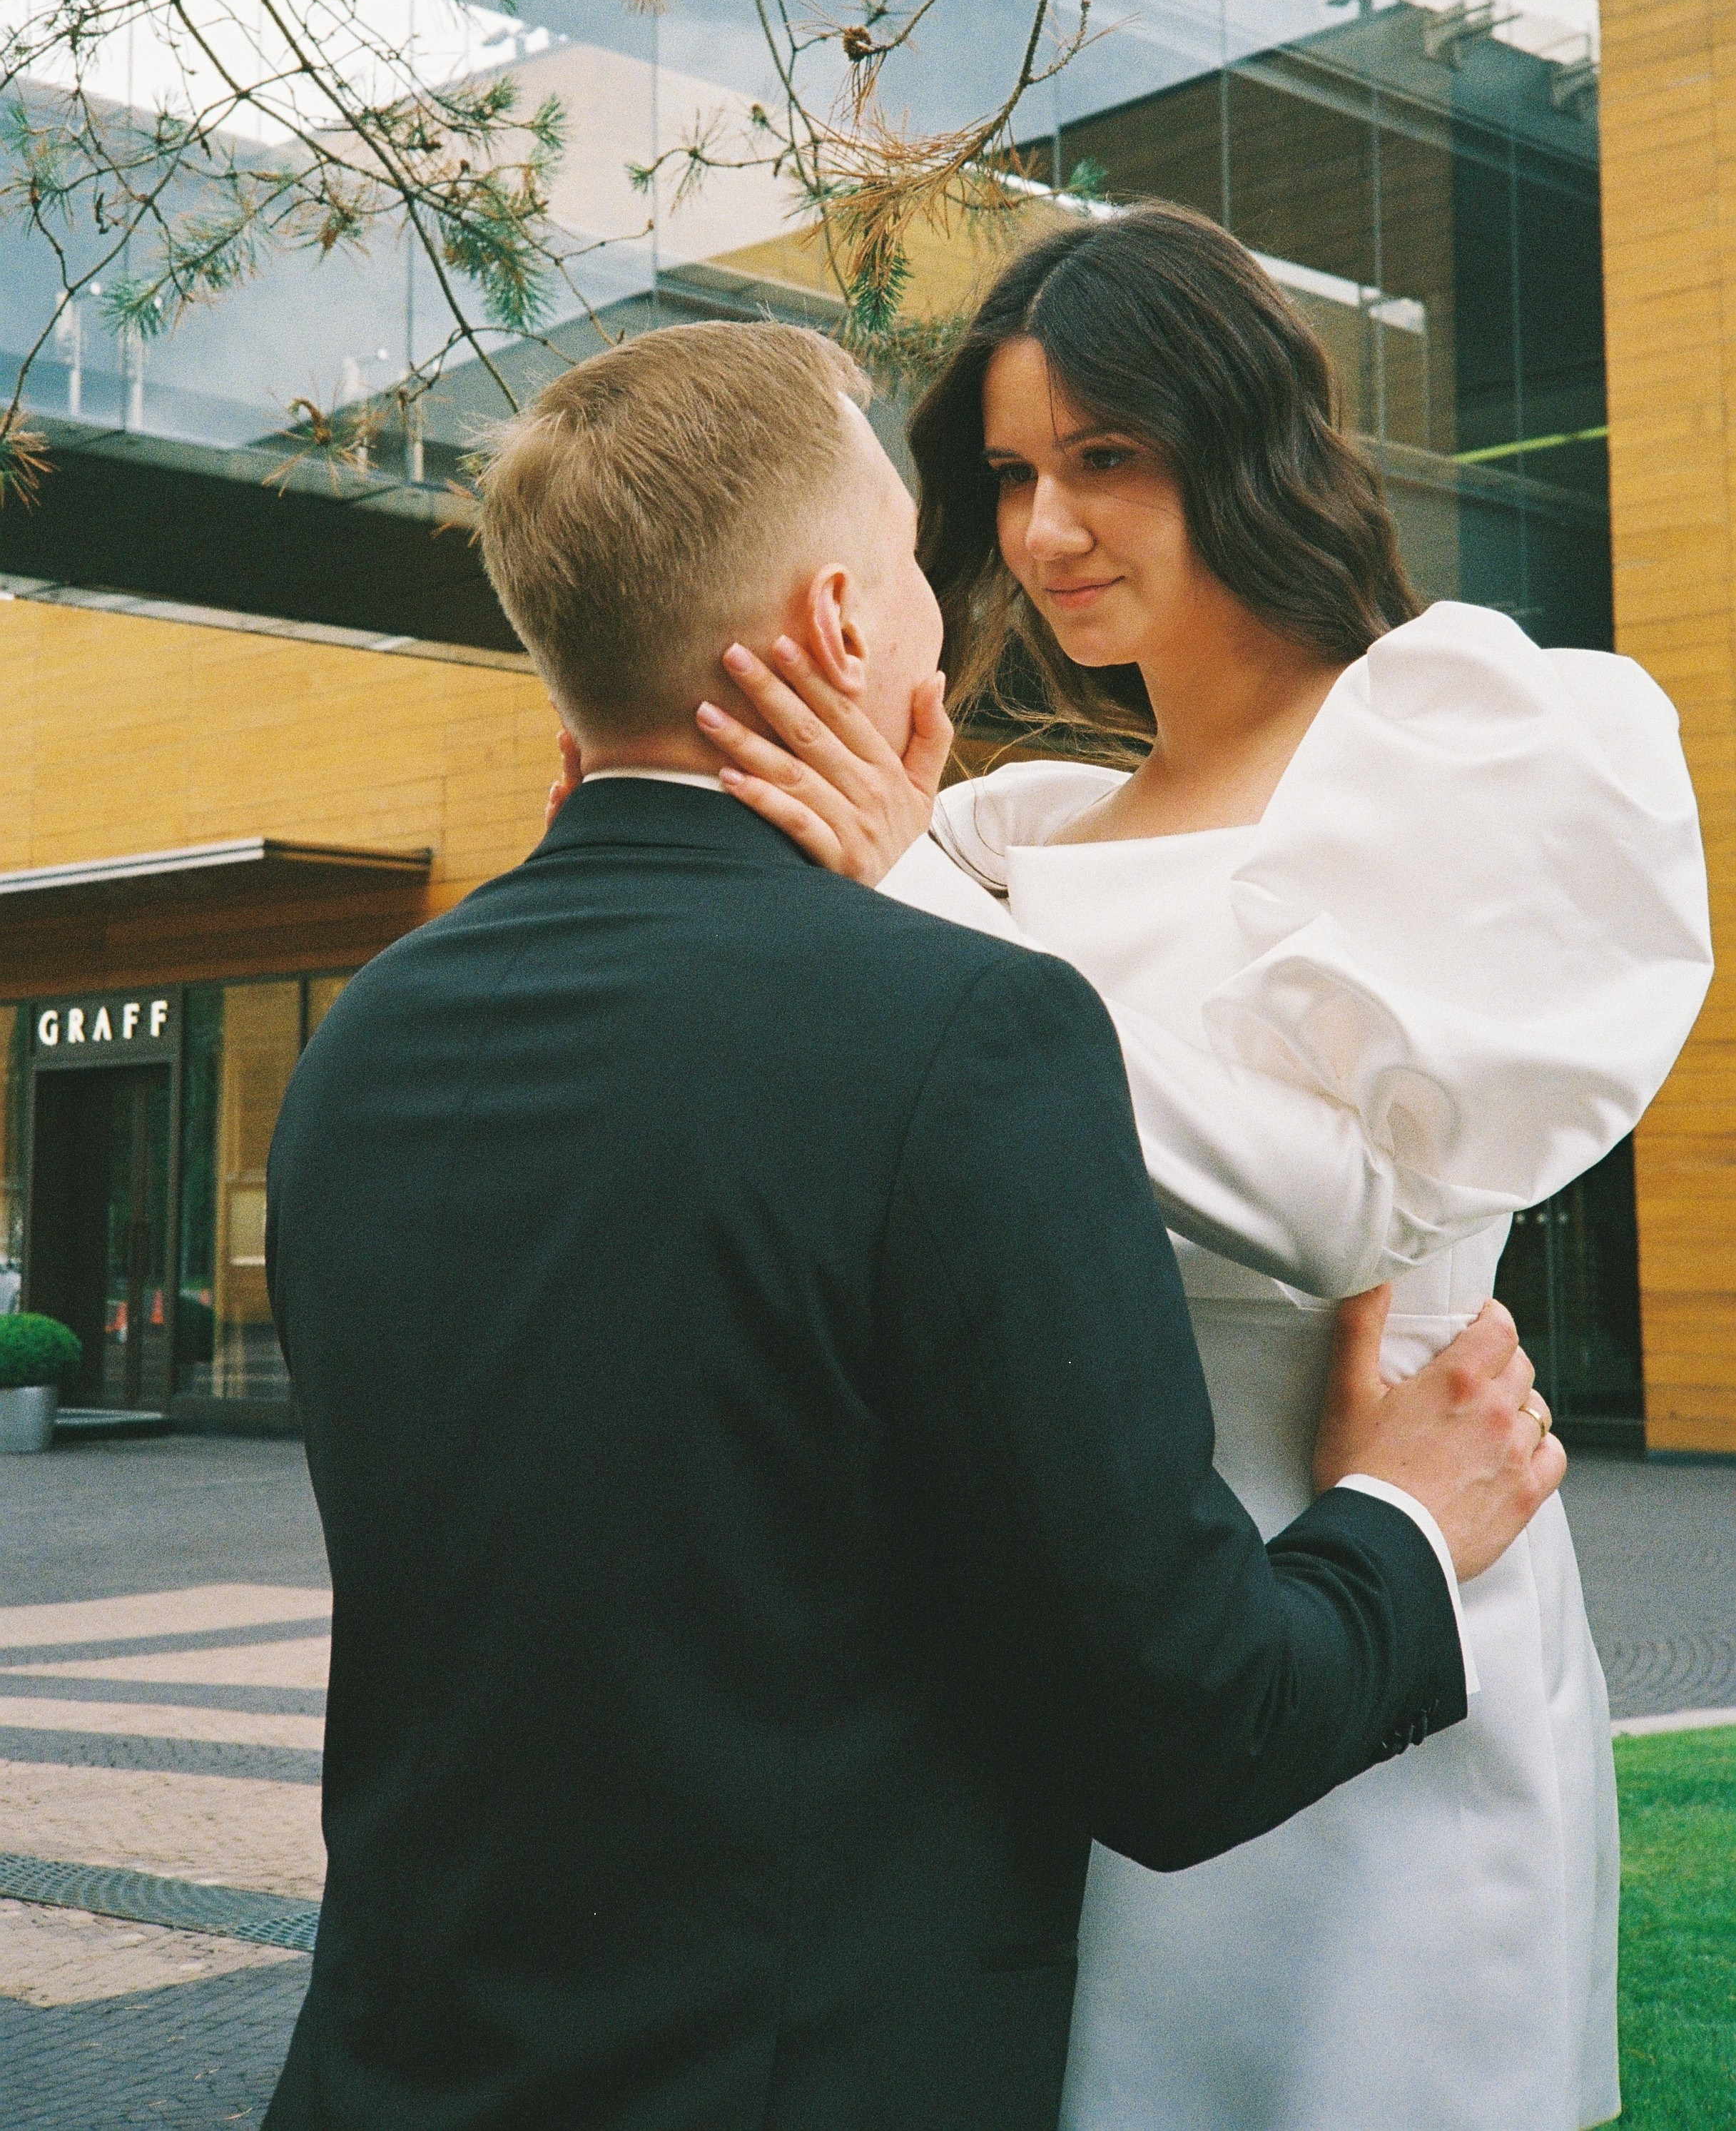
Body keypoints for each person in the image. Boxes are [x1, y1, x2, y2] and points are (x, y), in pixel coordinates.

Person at [265, 319, 1562, 2131]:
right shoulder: (966, 1033)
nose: (961, 596)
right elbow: (1181, 1729)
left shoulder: (367, 1040)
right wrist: (1409, 1518)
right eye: (906, 557)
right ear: (838, 624)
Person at [690, 212, 1715, 2131]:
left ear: (1236, 440)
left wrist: (898, 870)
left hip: (1391, 1582)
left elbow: (1340, 1193)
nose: (1045, 525)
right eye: (1007, 473)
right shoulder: (1015, 830)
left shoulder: (1458, 730)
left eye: (1104, 456)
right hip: (1090, 1611)